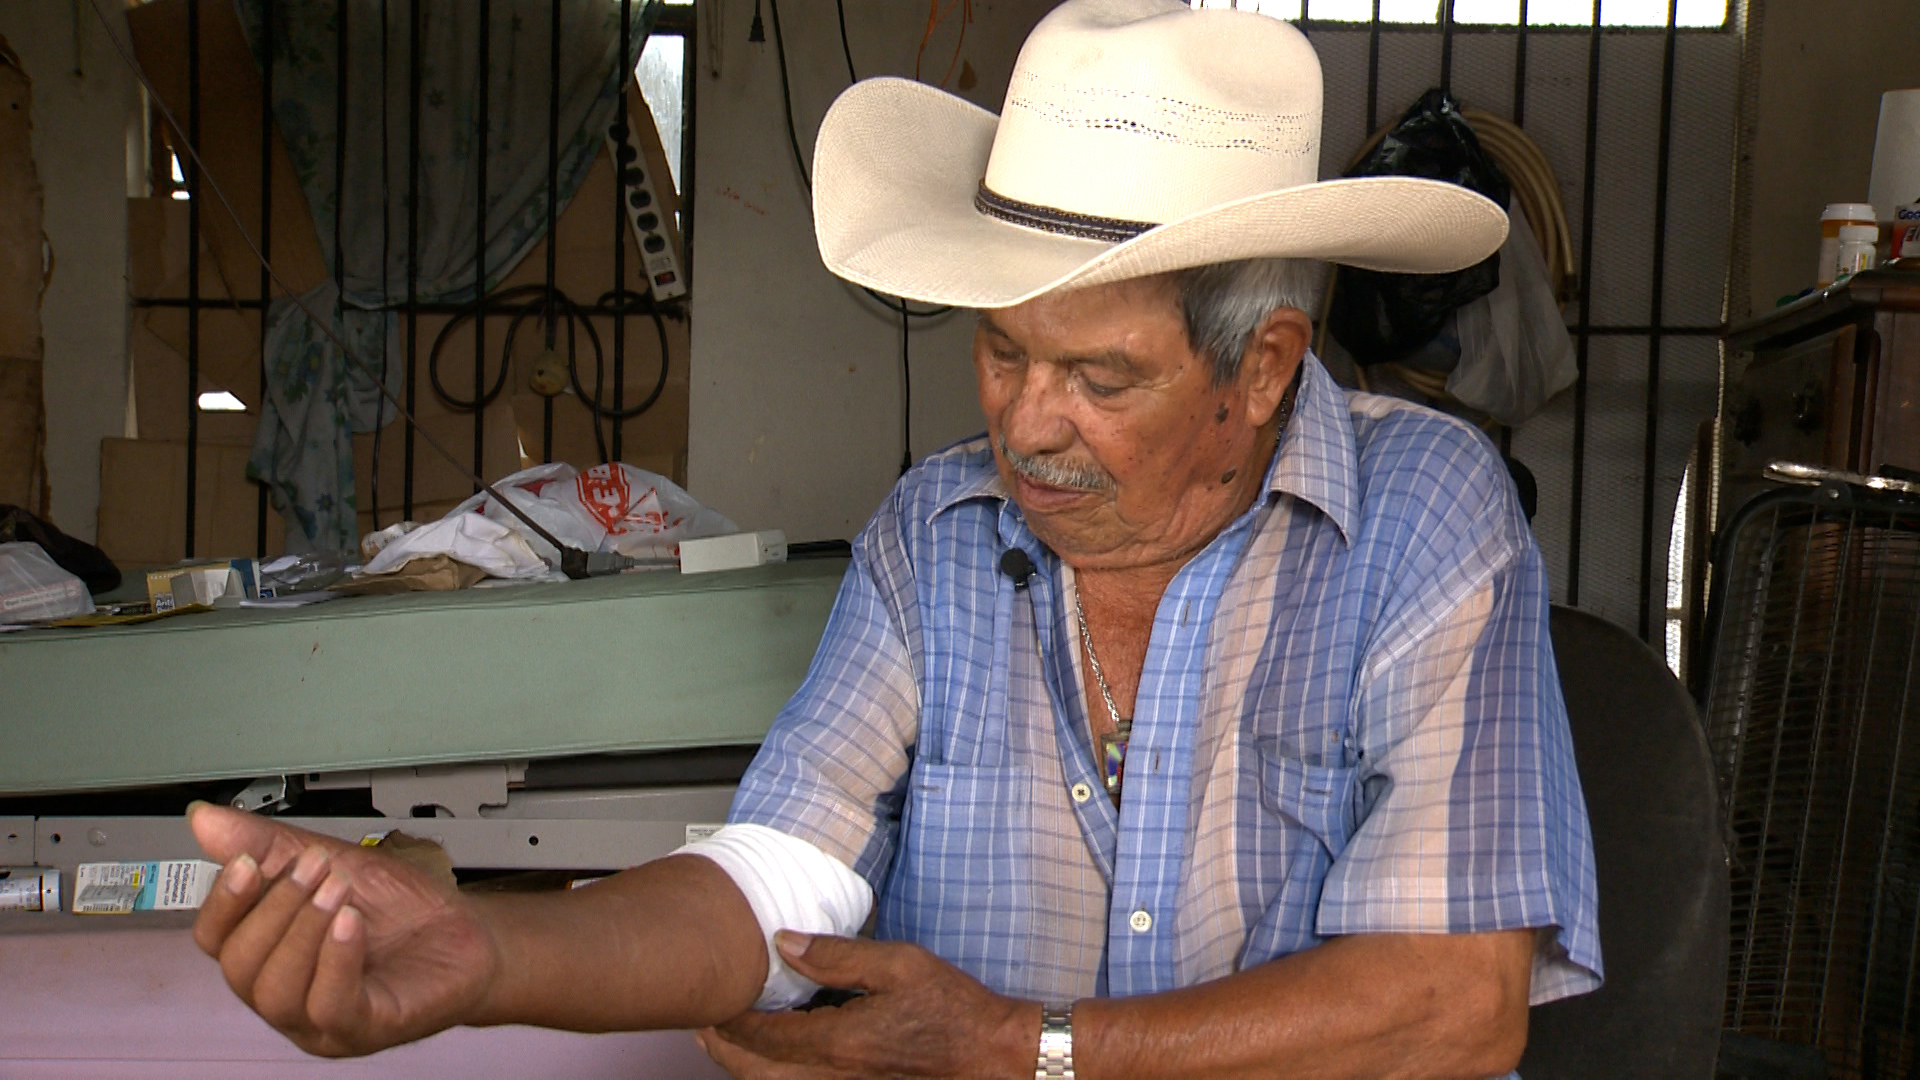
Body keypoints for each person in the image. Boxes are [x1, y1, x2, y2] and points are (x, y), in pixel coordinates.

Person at [186, 1, 1600, 1075]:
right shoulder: (934, 533)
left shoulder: (1425, 515)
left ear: (1266, 367)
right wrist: (486, 952)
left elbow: (1453, 1005)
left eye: (1100, 380)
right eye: (1000, 352)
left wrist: (1020, 1047)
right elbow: (774, 880)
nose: (1025, 426)